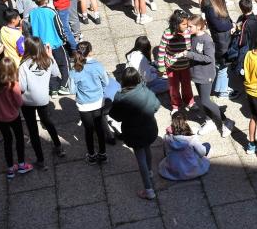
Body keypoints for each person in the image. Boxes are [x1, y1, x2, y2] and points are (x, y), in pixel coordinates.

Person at [110, 67, 160, 198]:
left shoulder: (120, 97)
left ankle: (148, 190)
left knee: (140, 158)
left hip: (133, 133)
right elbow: (156, 106)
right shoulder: (145, 90)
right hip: (149, 129)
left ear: (123, 81)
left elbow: (116, 116)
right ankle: (149, 172)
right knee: (147, 148)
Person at [0, 57, 34, 179]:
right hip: (13, 116)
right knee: (19, 139)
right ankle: (22, 165)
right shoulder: (13, 84)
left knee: (7, 140)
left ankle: (10, 169)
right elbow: (19, 103)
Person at [18, 37, 65, 162]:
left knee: (32, 129)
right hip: (43, 99)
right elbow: (56, 73)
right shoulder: (47, 61)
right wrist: (51, 56)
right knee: (47, 122)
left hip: (27, 101)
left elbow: (21, 86)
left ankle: (40, 159)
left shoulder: (24, 65)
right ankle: (58, 146)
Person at [69, 41, 109, 164]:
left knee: (89, 130)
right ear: (90, 51)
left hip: (84, 105)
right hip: (98, 102)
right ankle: (102, 154)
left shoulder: (74, 70)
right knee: (100, 128)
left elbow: (72, 90)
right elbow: (106, 83)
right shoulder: (98, 66)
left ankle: (91, 155)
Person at [158, 110, 211, 180]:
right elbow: (202, 153)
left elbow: (165, 153)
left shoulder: (166, 137)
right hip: (191, 168)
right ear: (185, 122)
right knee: (207, 145)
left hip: (173, 170)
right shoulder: (191, 138)